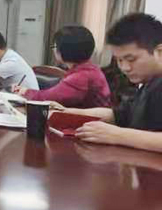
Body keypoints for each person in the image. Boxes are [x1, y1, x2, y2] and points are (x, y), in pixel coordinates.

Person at [65, 13, 162, 153]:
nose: (125, 68)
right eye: (119, 60)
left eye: (131, 59)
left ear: (159, 52)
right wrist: (68, 113)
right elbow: (118, 115)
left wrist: (117, 135)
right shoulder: (149, 84)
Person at [13, 26, 111, 108]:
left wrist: (25, 92)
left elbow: (49, 98)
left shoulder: (81, 76)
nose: (54, 50)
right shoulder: (89, 69)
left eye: (55, 47)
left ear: (65, 50)